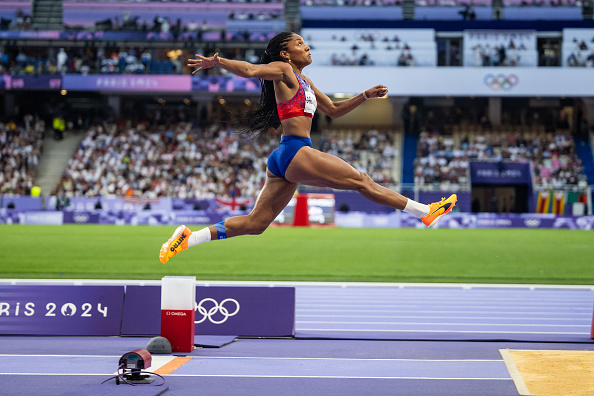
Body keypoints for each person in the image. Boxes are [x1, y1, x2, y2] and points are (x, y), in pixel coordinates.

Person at [159, 32, 456, 264]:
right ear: (286, 52)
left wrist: (365, 95)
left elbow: (335, 110)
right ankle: (423, 212)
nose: (307, 47)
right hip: (295, 151)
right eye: (300, 43)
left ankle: (188, 237)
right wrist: (218, 62)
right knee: (362, 181)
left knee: (256, 223)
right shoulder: (283, 69)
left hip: (285, 156)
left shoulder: (305, 81)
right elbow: (250, 70)